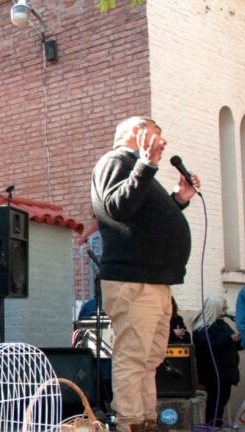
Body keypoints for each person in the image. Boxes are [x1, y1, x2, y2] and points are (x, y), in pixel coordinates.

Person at [90, 116, 200, 432]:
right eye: (154, 136)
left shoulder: (139, 169)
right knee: (133, 357)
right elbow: (116, 207)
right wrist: (145, 165)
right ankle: (129, 424)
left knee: (150, 361)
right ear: (134, 134)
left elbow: (146, 220)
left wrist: (179, 199)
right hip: (133, 281)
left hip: (154, 281)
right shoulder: (115, 161)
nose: (161, 144)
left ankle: (146, 420)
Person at [192, 295, 241, 427]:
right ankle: (212, 427)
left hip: (226, 373)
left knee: (222, 402)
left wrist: (240, 340)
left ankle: (216, 426)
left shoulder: (223, 324)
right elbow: (209, 346)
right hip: (214, 373)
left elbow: (231, 344)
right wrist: (231, 339)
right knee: (215, 404)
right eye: (224, 308)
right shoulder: (202, 327)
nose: (226, 311)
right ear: (215, 309)